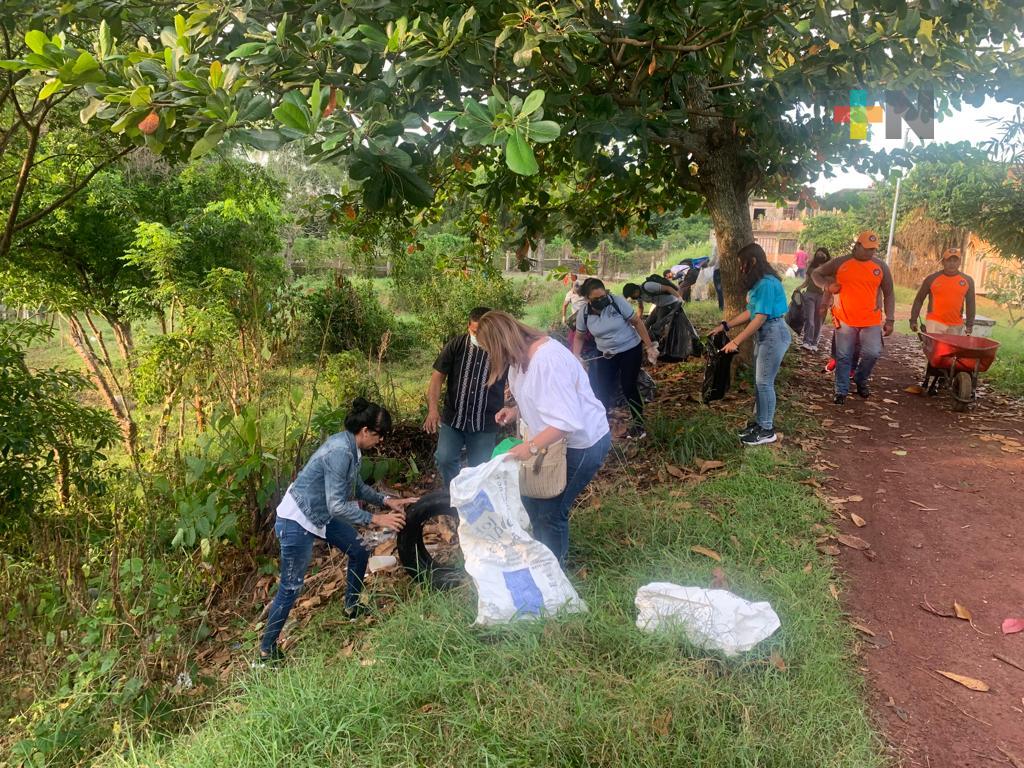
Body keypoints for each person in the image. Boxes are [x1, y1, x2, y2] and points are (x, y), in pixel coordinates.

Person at [258, 399, 417, 664]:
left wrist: (387, 501)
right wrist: (377, 519)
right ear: (365, 431)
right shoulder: (340, 451)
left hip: (321, 514)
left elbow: (356, 488)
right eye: (379, 436)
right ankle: (266, 650)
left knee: (358, 549)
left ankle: (352, 606)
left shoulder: (351, 447)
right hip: (297, 519)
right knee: (291, 588)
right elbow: (338, 505)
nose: (380, 442)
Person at [475, 311, 611, 565]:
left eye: (489, 349)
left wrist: (530, 447)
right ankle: (542, 558)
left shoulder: (546, 360)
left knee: (551, 511)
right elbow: (543, 399)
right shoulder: (519, 360)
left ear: (500, 343)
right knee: (533, 502)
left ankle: (554, 573)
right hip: (553, 444)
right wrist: (515, 411)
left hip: (582, 444)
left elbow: (566, 421)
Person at [710, 243, 792, 446]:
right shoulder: (760, 283)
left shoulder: (766, 283)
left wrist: (736, 341)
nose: (740, 268)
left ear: (752, 261)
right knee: (760, 382)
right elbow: (751, 312)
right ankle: (760, 423)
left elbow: (760, 318)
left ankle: (767, 430)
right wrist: (726, 326)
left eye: (742, 263)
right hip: (766, 334)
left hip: (773, 333)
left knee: (764, 383)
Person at [424, 307, 507, 489]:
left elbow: (516, 379)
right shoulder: (457, 345)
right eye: (474, 332)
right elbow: (437, 377)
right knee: (444, 459)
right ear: (468, 326)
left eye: (483, 333)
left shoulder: (502, 351)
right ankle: (453, 493)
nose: (479, 336)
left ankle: (473, 505)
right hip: (454, 418)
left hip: (484, 422)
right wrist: (432, 410)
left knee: (480, 470)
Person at [812, 231, 895, 405]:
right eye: (867, 249)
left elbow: (889, 293)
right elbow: (816, 274)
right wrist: (827, 286)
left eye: (873, 249)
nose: (870, 252)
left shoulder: (880, 266)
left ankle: (860, 378)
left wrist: (890, 319)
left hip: (871, 320)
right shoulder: (840, 262)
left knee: (873, 353)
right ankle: (841, 390)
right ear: (857, 245)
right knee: (843, 355)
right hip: (845, 319)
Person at [572, 277, 658, 438]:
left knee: (628, 386)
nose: (601, 300)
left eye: (603, 296)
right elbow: (579, 336)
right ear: (587, 299)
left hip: (630, 349)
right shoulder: (584, 314)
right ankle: (602, 424)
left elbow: (637, 322)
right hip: (605, 354)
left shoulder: (616, 303)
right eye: (596, 299)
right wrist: (575, 357)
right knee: (601, 388)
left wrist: (649, 346)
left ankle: (639, 424)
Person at [623, 276, 698, 361]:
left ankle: (656, 349)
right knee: (646, 324)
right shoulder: (638, 296)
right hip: (659, 306)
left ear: (635, 290)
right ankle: (641, 344)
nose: (633, 298)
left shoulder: (648, 286)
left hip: (670, 303)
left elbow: (668, 288)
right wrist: (637, 322)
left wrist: (679, 298)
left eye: (632, 295)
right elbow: (640, 308)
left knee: (657, 327)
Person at [909, 248, 976, 335]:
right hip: (934, 322)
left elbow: (970, 303)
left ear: (960, 262)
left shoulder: (968, 281)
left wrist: (969, 325)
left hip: (956, 324)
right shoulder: (931, 279)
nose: (952, 264)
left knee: (953, 348)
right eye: (949, 260)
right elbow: (919, 300)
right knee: (933, 348)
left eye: (955, 261)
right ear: (943, 262)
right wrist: (913, 320)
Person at [795, 247, 832, 351]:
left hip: (823, 297)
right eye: (818, 254)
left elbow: (832, 284)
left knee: (818, 321)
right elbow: (806, 282)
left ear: (826, 256)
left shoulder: (829, 269)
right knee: (810, 320)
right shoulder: (811, 268)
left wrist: (831, 300)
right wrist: (799, 287)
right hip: (809, 295)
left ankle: (814, 343)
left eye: (823, 255)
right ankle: (807, 341)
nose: (820, 256)